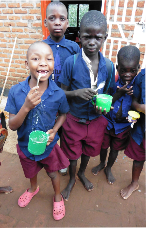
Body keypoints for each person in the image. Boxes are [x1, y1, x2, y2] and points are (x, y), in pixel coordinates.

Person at [5, 41, 70, 220]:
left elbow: (63, 114)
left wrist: (55, 129)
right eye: (36, 58)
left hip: (48, 147)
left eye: (48, 59)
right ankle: (33, 188)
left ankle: (57, 195)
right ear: (27, 64)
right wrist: (26, 106)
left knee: (52, 172)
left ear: (53, 65)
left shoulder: (58, 93)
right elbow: (12, 125)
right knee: (31, 171)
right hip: (26, 146)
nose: (43, 63)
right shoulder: (16, 91)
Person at [58, 10, 115, 201]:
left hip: (96, 120)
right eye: (86, 37)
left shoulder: (108, 66)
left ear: (104, 38)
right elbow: (59, 93)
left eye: (97, 37)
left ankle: (82, 173)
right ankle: (72, 179)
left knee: (89, 151)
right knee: (73, 153)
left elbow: (109, 94)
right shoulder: (71, 63)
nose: (91, 42)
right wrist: (75, 93)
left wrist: (105, 107)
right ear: (78, 37)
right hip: (74, 119)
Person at [92, 45, 140, 184]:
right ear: (118, 68)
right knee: (103, 146)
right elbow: (106, 101)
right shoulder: (112, 84)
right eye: (123, 70)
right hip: (108, 123)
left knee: (115, 149)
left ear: (138, 68)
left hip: (123, 126)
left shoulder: (138, 87)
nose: (127, 74)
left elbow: (138, 105)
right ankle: (102, 163)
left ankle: (108, 168)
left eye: (132, 71)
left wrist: (135, 94)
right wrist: (119, 93)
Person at [44, 0, 80, 175]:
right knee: (49, 128)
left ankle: (64, 158)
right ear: (45, 23)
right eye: (52, 18)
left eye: (62, 18)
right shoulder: (41, 47)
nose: (57, 22)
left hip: (67, 99)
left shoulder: (73, 48)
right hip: (48, 99)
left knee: (66, 130)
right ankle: (49, 157)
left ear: (67, 23)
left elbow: (79, 73)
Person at [120, 67, 146, 199]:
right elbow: (134, 100)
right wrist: (140, 107)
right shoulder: (142, 76)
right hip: (142, 130)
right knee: (138, 158)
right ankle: (134, 183)